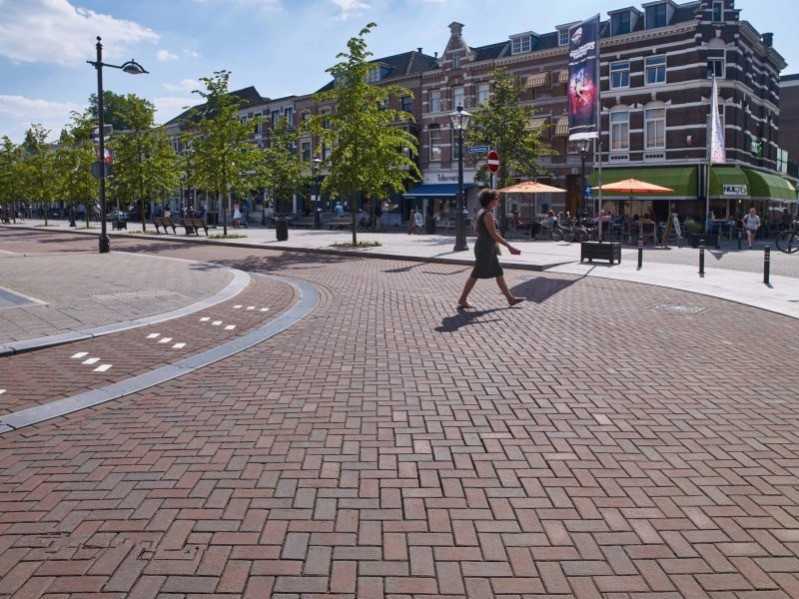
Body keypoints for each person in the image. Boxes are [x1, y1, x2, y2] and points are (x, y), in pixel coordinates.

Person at [457, 190, 524, 310]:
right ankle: (462, 299)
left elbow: (477, 230)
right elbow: (494, 234)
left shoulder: (481, 212)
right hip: (485, 248)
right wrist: (509, 247)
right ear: (490, 201)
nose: (498, 201)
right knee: (476, 273)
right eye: (496, 199)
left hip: (486, 246)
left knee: (498, 272)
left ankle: (510, 299)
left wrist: (488, 238)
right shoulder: (487, 214)